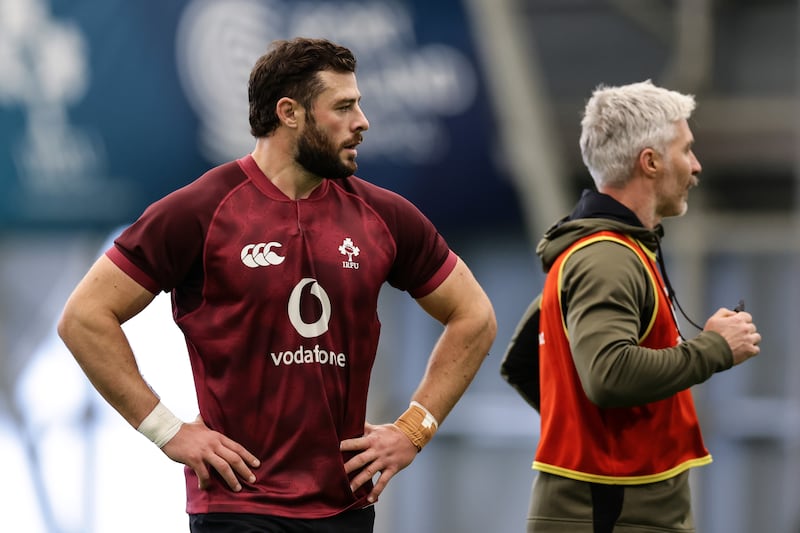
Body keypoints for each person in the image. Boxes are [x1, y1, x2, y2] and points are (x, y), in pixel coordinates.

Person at [58, 37, 497, 532]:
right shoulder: (200, 210)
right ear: (289, 113)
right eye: (344, 107)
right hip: (237, 509)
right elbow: (84, 318)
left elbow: (474, 315)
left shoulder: (384, 216)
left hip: (347, 509)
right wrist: (168, 431)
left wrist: (414, 429)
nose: (362, 122)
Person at [500, 80, 761, 533]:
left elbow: (523, 363)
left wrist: (597, 430)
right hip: (612, 512)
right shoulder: (607, 258)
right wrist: (715, 349)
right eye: (686, 150)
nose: (696, 166)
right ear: (651, 162)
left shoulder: (607, 249)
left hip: (617, 507)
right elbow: (608, 375)